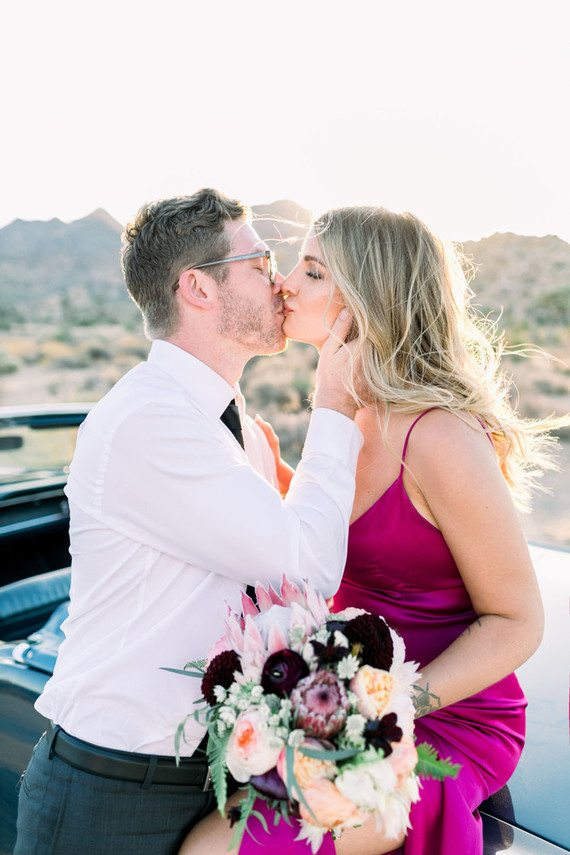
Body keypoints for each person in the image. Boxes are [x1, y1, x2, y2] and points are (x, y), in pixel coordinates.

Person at [180, 204, 552, 855]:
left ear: (366, 300)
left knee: (217, 849)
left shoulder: (438, 435)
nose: (285, 282)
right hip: (343, 703)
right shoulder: (346, 418)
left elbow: (518, 619)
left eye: (314, 270)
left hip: (446, 717)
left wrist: (386, 704)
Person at [14, 189, 364, 855]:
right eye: (260, 263)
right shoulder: (153, 421)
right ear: (199, 288)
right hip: (111, 798)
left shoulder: (231, 425)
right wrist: (335, 406)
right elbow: (307, 565)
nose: (279, 282)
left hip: (206, 784)